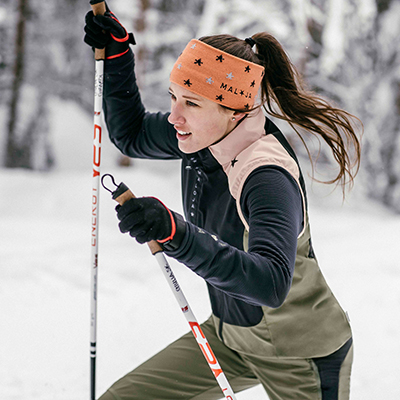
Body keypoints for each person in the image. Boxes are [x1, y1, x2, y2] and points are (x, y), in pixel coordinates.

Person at [84, 5, 361, 400]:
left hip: (299, 354)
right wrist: (116, 57)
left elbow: (270, 283)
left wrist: (175, 232)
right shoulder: (202, 136)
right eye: (174, 98)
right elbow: (130, 134)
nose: (175, 116)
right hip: (230, 337)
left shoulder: (266, 176)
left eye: (192, 104)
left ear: (236, 110)